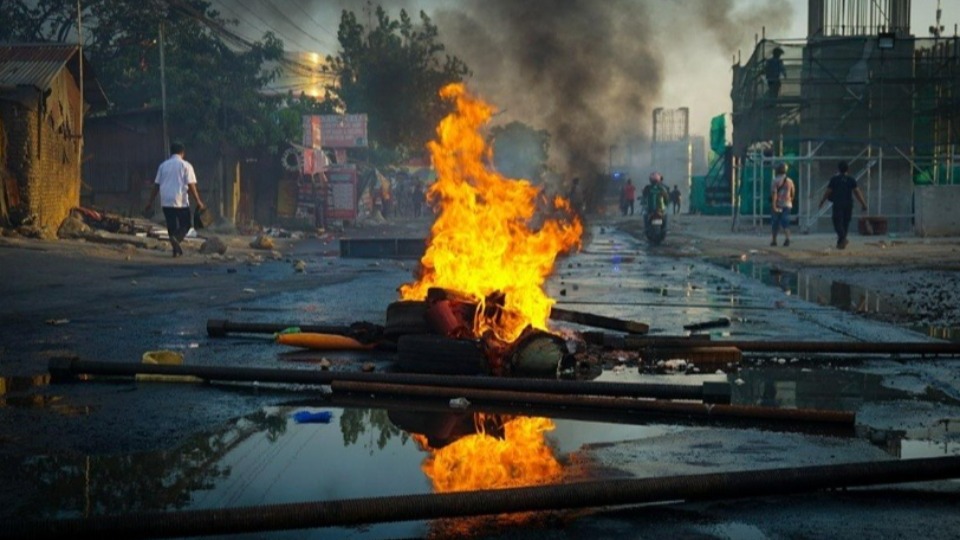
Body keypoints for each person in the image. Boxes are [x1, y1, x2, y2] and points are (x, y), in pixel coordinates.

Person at [145, 142, 205, 257]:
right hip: (180, 201)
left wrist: (150, 202)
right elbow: (191, 185)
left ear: (171, 152)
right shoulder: (186, 165)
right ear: (182, 153)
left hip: (166, 200)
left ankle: (175, 250)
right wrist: (198, 201)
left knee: (171, 225)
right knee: (186, 225)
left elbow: (156, 186)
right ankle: (176, 239)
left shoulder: (163, 166)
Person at [818, 160, 868, 250]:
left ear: (838, 169)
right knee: (845, 223)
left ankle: (842, 239)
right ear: (848, 169)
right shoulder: (851, 180)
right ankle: (841, 242)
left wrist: (822, 201)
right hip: (848, 204)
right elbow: (857, 192)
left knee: (837, 221)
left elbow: (828, 192)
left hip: (838, 203)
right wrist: (863, 203)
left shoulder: (834, 179)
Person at [770, 162, 795, 247]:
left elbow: (774, 194)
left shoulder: (775, 180)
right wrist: (790, 200)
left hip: (778, 204)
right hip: (787, 204)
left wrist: (774, 205)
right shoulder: (790, 181)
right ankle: (787, 239)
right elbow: (793, 193)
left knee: (775, 223)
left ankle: (774, 240)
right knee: (786, 223)